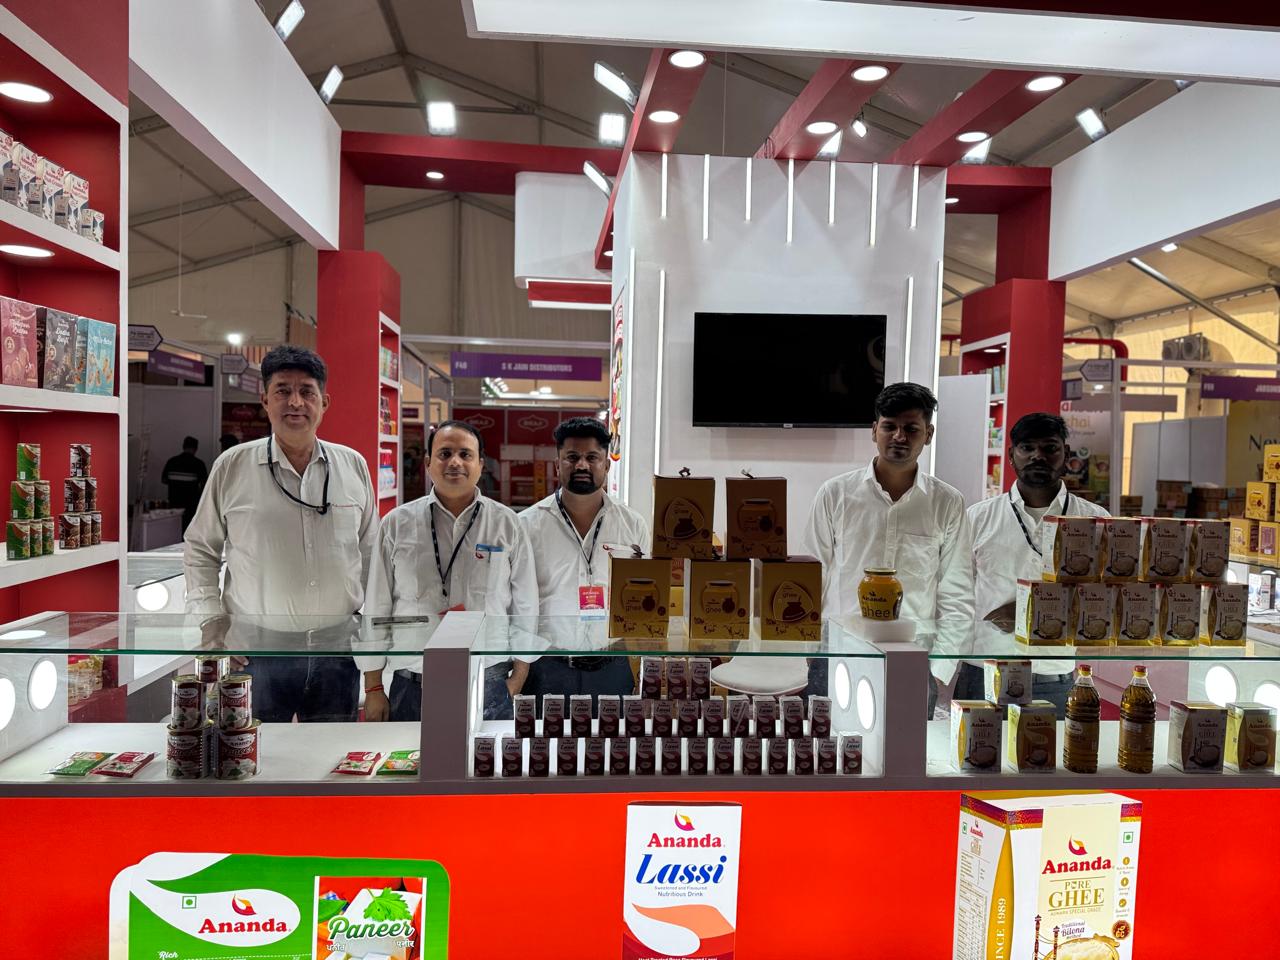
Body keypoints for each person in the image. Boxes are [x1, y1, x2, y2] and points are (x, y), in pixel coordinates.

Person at [183, 344, 378, 722]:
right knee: (251, 752)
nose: (296, 402)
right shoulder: (233, 466)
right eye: (283, 391)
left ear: (324, 402)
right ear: (265, 400)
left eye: (307, 391)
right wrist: (211, 623)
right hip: (255, 653)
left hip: (338, 652)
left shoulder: (352, 465)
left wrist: (373, 631)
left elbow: (371, 552)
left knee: (331, 754)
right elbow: (200, 548)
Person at [804, 382, 975, 714]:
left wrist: (939, 670)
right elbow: (812, 577)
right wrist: (813, 652)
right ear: (874, 430)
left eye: (911, 428)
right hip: (839, 652)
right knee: (827, 745)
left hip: (913, 658)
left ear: (928, 434)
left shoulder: (947, 503)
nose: (899, 436)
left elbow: (957, 593)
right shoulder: (835, 494)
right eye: (889, 426)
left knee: (907, 749)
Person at [359, 420, 538, 723]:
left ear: (480, 464)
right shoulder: (397, 524)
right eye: (445, 454)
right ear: (428, 463)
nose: (455, 462)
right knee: (410, 756)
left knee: (486, 756)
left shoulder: (507, 524)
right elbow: (377, 607)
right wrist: (373, 686)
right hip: (413, 684)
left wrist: (518, 677)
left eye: (465, 454)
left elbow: (526, 606)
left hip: (488, 681)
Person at [966, 412, 1109, 715]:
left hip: (1052, 675)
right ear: (1011, 456)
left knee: (1053, 749)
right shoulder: (978, 517)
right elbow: (956, 592)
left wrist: (1027, 611)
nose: (1037, 456)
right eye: (1027, 448)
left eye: (1049, 448)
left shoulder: (1096, 520)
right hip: (983, 670)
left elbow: (1104, 600)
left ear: (1065, 454)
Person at [518, 416, 649, 705]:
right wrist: (519, 668)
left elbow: (643, 598)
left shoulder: (632, 525)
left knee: (613, 737)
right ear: (558, 464)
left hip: (613, 666)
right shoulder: (526, 525)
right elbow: (517, 602)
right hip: (546, 667)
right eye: (572, 457)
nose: (581, 465)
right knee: (544, 737)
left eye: (592, 457)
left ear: (607, 465)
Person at [162, 436, 208, 533]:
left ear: (183, 446)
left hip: (174, 502)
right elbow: (205, 485)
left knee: (173, 530)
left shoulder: (171, 461)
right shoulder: (199, 464)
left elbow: (164, 480)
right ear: (195, 449)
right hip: (191, 504)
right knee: (188, 530)